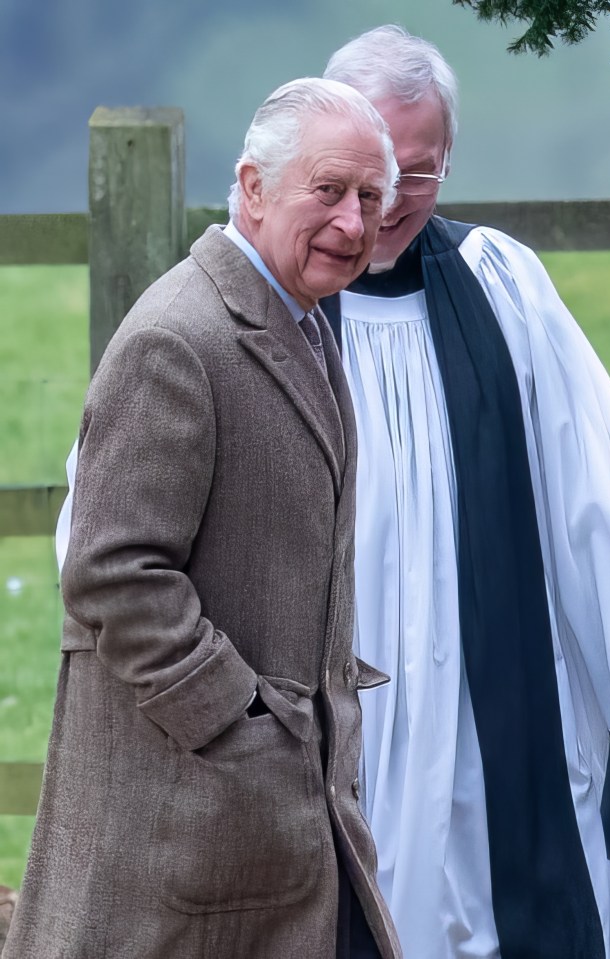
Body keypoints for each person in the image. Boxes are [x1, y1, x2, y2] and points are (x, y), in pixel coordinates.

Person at [4, 77, 402, 959]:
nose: (353, 222)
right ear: (253, 188)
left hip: (284, 809)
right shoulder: (177, 339)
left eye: (372, 198)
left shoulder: (300, 319)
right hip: (197, 819)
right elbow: (112, 571)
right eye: (329, 191)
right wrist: (243, 721)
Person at [320, 25, 610, 959]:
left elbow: (598, 492)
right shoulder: (258, 299)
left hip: (487, 706)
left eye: (416, 173)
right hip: (319, 705)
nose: (386, 205)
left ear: (449, 160)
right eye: (365, 169)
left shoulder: (504, 287)